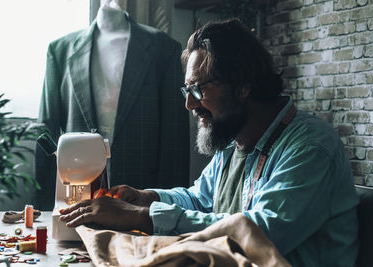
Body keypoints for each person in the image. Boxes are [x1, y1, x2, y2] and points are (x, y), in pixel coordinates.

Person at [60, 18, 359, 266]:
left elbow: (260, 235)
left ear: (242, 86)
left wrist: (143, 217)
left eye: (199, 90)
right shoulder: (233, 142)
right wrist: (147, 198)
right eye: (187, 90)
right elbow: (200, 199)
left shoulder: (310, 146)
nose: (190, 104)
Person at [35, 0, 189, 210]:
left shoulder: (163, 48)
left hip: (142, 189)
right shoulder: (60, 50)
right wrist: (42, 207)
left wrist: (170, 211)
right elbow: (47, 131)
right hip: (77, 189)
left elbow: (174, 136)